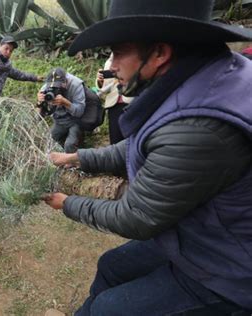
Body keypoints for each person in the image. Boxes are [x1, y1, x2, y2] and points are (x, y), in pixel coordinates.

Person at [43, 0, 252, 314]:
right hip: (201, 232)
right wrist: (75, 159)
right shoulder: (201, 77)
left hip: (229, 267)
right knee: (111, 265)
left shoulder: (198, 129)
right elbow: (143, 145)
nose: (110, 66)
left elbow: (138, 216)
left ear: (159, 53)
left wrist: (66, 203)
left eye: (118, 51)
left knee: (108, 310)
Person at [36, 68, 85, 153]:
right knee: (48, 141)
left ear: (65, 81)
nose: (54, 89)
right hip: (60, 120)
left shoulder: (76, 85)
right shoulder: (46, 88)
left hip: (76, 121)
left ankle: (73, 161)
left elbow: (80, 112)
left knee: (69, 145)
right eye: (52, 87)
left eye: (57, 86)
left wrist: (66, 103)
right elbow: (37, 117)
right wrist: (39, 103)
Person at [96, 54, 133, 144]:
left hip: (130, 102)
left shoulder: (132, 57)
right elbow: (104, 88)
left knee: (130, 136)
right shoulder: (108, 62)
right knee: (115, 137)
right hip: (113, 104)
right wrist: (100, 81)